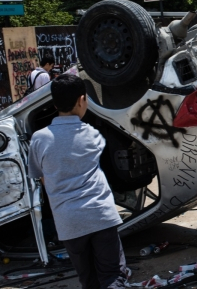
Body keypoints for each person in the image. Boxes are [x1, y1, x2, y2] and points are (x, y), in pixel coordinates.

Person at [29, 74, 128, 289]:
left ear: (54, 104)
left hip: (69, 223)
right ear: (82, 100)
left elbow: (42, 178)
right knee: (112, 277)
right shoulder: (93, 135)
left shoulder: (39, 139)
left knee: (88, 281)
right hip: (100, 215)